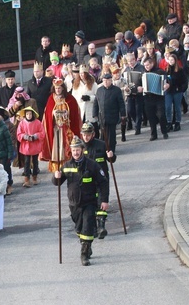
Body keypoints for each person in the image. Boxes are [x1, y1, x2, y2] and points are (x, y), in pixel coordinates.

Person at [52, 136, 109, 266]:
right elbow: (57, 182)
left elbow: (103, 183)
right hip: (74, 204)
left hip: (89, 202)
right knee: (79, 229)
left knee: (87, 225)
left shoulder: (92, 165)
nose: (76, 153)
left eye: (78, 150)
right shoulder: (66, 166)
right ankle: (87, 246)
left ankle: (84, 253)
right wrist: (56, 177)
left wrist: (104, 200)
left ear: (82, 150)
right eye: (73, 150)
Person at [79, 123, 115, 239]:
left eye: (88, 134)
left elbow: (112, 160)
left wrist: (111, 156)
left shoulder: (102, 145)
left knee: (102, 202)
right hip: (88, 182)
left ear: (93, 134)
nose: (86, 137)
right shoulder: (80, 148)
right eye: (84, 135)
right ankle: (93, 228)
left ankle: (101, 227)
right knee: (91, 205)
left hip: (102, 179)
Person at [41, 78, 82, 172]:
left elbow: (75, 113)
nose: (58, 90)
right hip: (56, 129)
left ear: (63, 88)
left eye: (59, 88)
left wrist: (66, 114)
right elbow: (47, 114)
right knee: (57, 147)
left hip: (67, 129)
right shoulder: (51, 98)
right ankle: (57, 166)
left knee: (67, 147)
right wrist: (53, 113)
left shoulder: (70, 98)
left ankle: (70, 164)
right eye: (56, 88)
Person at [92, 72, 126, 153]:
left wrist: (123, 114)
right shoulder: (99, 90)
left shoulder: (116, 90)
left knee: (111, 134)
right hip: (102, 116)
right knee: (103, 134)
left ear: (111, 81)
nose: (106, 82)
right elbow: (96, 103)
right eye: (104, 80)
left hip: (112, 115)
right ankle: (104, 150)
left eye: (107, 80)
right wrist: (95, 114)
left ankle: (111, 150)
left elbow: (121, 103)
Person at [16, 106, 44, 187]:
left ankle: (35, 177)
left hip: (35, 145)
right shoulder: (22, 123)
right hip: (26, 145)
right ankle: (26, 178)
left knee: (35, 162)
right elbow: (19, 133)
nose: (29, 116)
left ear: (33, 114)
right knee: (27, 162)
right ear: (25, 115)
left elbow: (42, 132)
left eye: (30, 114)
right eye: (27, 114)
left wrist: (35, 136)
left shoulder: (37, 122)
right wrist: (25, 137)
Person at [141, 57, 169, 140]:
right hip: (148, 97)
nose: (146, 67)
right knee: (151, 117)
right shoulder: (143, 74)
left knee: (161, 115)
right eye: (145, 65)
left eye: (148, 65)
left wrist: (167, 85)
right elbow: (139, 83)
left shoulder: (160, 71)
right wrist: (139, 88)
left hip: (159, 97)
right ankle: (153, 134)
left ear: (152, 64)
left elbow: (167, 80)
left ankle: (164, 132)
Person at [122, 52, 145, 133]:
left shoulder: (141, 68)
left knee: (138, 110)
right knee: (130, 110)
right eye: (128, 61)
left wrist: (142, 87)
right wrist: (125, 86)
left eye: (131, 61)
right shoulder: (126, 69)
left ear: (135, 60)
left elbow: (145, 79)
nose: (130, 63)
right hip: (130, 93)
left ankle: (137, 127)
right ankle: (137, 122)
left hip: (139, 93)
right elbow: (123, 80)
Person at [163, 52, 187, 132]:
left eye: (172, 60)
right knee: (168, 107)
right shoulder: (166, 70)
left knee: (177, 107)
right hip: (168, 91)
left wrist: (181, 89)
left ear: (175, 60)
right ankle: (169, 122)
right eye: (169, 60)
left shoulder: (180, 70)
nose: (170, 61)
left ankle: (177, 122)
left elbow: (184, 81)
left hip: (177, 91)